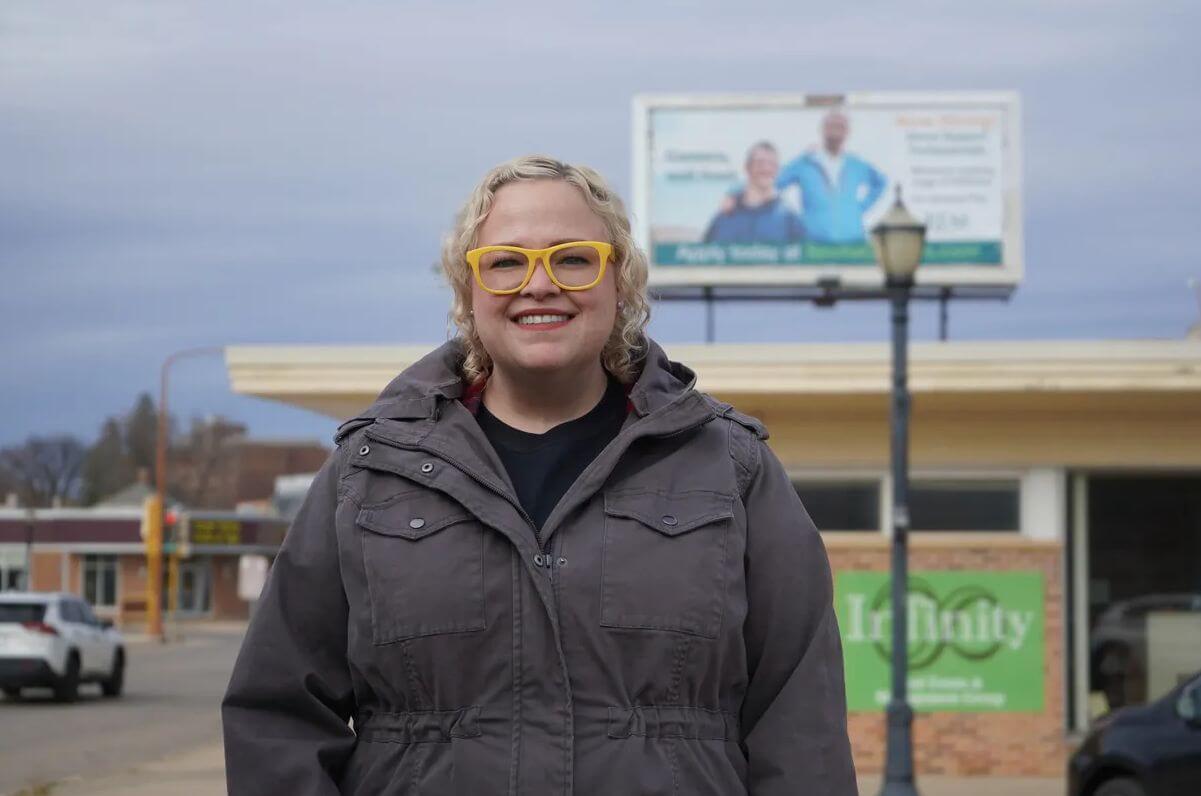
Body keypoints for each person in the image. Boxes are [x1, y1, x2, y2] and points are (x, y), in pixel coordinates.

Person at [221, 155, 856, 795]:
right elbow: (279, 718)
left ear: (621, 282)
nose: (539, 284)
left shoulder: (731, 469)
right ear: (468, 293)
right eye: (505, 262)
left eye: (573, 258)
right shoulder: (368, 474)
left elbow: (802, 731)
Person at [703, 141, 805, 244]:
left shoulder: (789, 219)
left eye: (772, 164)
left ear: (778, 170)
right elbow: (703, 254)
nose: (766, 168)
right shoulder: (725, 216)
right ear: (747, 168)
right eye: (760, 163)